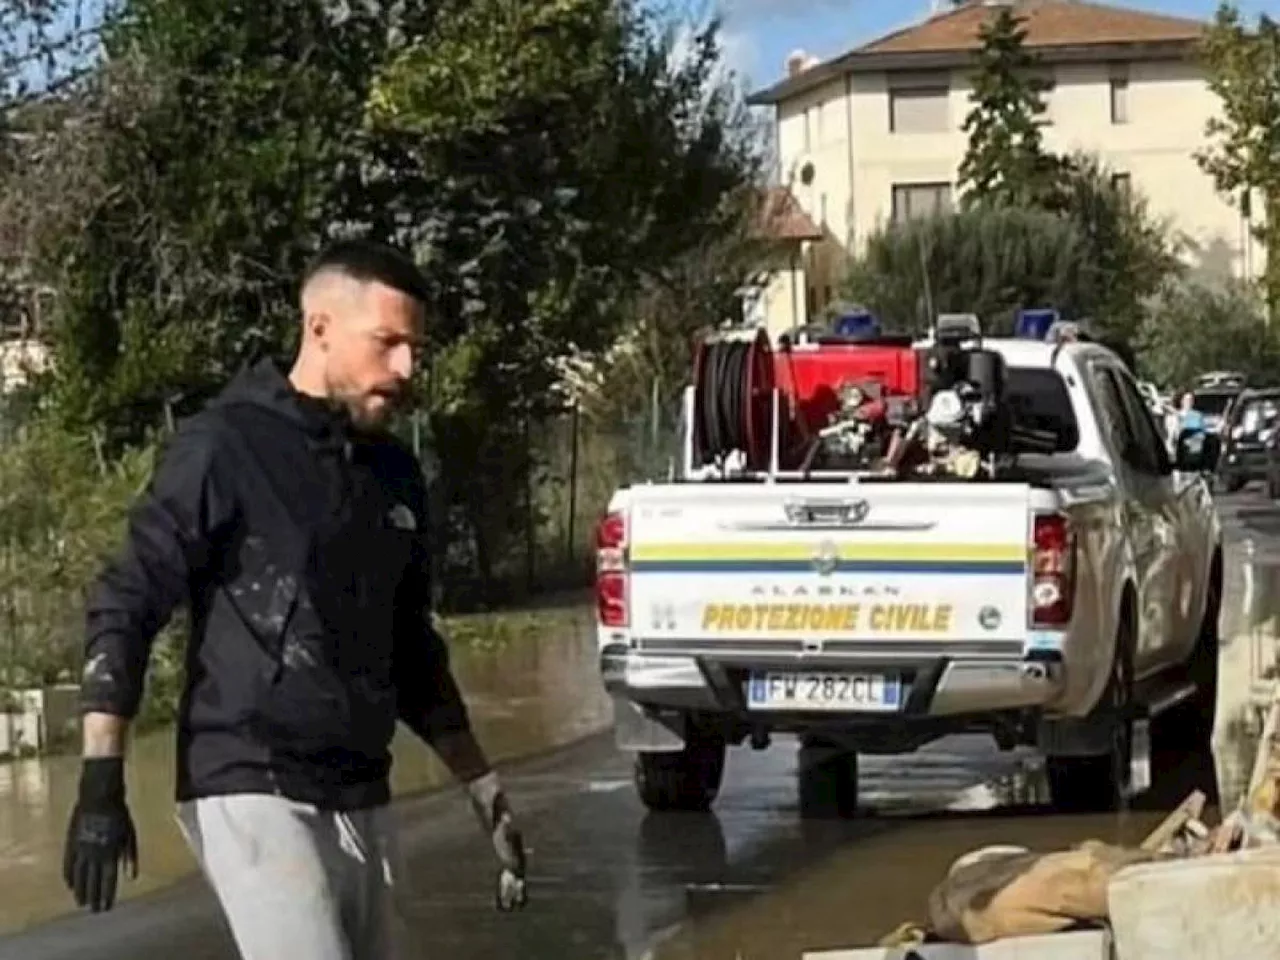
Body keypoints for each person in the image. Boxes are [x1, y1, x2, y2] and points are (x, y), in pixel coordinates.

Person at [61, 239, 528, 959]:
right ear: (319, 328)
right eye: (388, 343)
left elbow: (411, 649)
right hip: (251, 777)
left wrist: (483, 785)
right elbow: (127, 598)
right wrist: (100, 780)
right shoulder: (225, 447)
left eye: (415, 349)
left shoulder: (393, 474)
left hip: (362, 788)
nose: (406, 368)